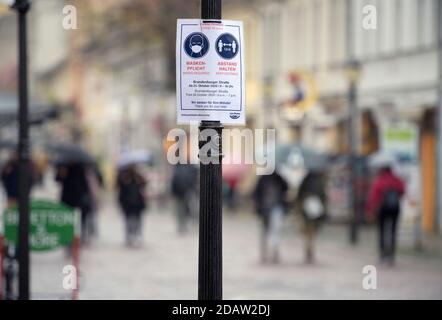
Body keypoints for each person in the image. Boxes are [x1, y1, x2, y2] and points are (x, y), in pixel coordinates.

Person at [366, 165, 405, 266]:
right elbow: (402, 191)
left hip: (382, 209)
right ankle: (391, 255)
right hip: (395, 208)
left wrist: (370, 210)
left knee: (382, 232)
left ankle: (383, 255)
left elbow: (374, 196)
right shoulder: (397, 180)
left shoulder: (379, 180)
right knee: (393, 232)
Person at [254, 171, 288, 264]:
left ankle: (274, 252)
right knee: (265, 231)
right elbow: (257, 193)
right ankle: (264, 253)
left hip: (276, 208)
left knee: (275, 230)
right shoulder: (263, 178)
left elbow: (286, 188)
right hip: (265, 209)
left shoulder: (279, 178)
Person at [55, 163, 94, 244]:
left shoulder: (80, 167)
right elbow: (57, 179)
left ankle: (77, 241)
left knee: (78, 221)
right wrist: (61, 172)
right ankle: (68, 240)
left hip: (78, 199)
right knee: (67, 221)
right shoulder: (63, 166)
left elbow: (84, 184)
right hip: (67, 199)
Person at [297, 171, 327, 264]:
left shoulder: (306, 179)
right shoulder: (319, 180)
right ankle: (310, 248)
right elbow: (323, 195)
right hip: (316, 207)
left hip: (307, 206)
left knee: (308, 230)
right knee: (312, 230)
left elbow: (300, 194)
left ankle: (308, 248)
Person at [116, 165, 147, 247]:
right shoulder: (122, 176)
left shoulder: (138, 176)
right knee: (128, 220)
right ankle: (129, 236)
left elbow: (144, 184)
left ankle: (137, 235)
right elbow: (118, 187)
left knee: (138, 220)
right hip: (127, 203)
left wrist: (140, 177)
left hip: (138, 202)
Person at [171, 163, 198, 235]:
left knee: (181, 210)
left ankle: (181, 226)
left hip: (180, 193)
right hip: (187, 191)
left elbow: (173, 181)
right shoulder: (190, 168)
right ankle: (187, 224)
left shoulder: (176, 169)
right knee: (191, 208)